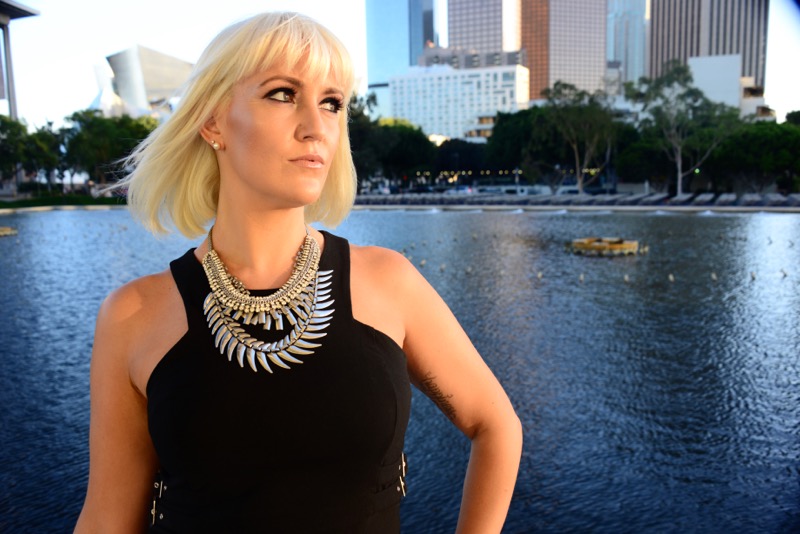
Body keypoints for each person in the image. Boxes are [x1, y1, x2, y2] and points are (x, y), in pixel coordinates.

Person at [75, 11, 522, 533]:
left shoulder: (389, 283)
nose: (316, 126)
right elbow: (107, 518)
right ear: (213, 122)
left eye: (332, 103)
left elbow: (496, 426)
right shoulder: (133, 316)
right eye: (283, 94)